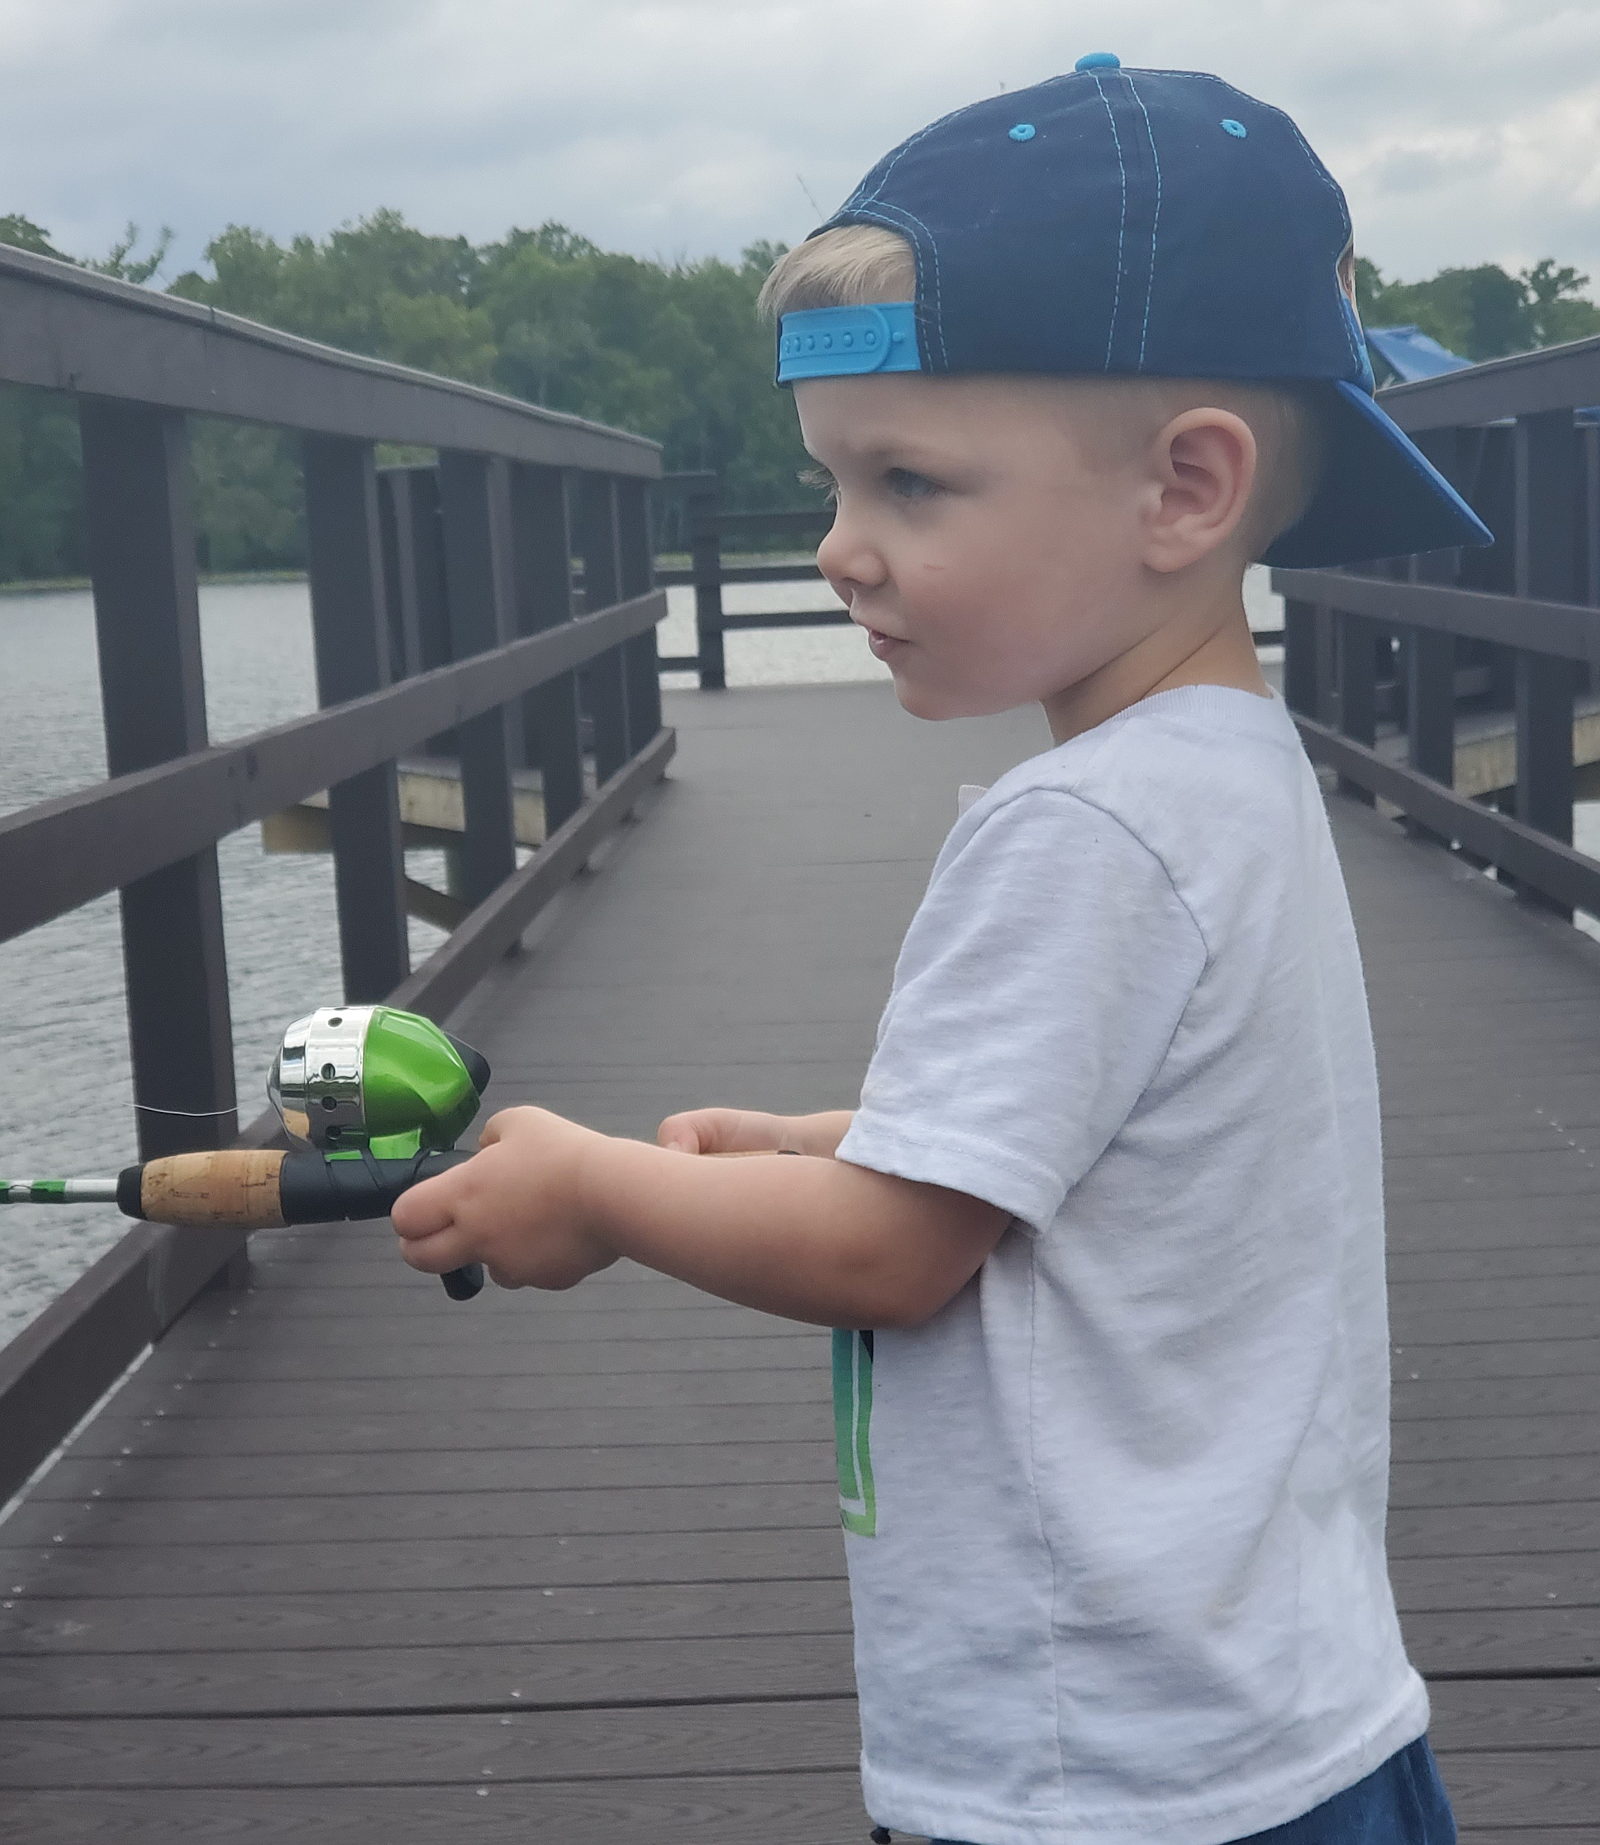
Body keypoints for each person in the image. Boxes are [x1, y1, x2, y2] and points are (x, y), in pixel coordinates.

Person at [390, 54, 1489, 1845]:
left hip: (1102, 1773)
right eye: (832, 484)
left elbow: (892, 1255)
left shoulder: (1079, 828)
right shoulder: (1230, 774)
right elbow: (1110, 1147)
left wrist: (592, 1189)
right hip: (1282, 1718)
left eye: (909, 481)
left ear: (1186, 488)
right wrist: (838, 1136)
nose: (842, 550)